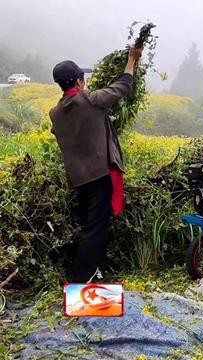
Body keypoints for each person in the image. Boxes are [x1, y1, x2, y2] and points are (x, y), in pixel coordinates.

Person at [49, 47, 143, 282]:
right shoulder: (90, 100)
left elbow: (74, 130)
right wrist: (131, 60)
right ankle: (80, 278)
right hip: (99, 175)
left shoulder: (56, 112)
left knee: (90, 223)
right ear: (80, 81)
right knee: (95, 227)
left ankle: (96, 269)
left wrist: (101, 121)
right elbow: (123, 86)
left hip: (78, 179)